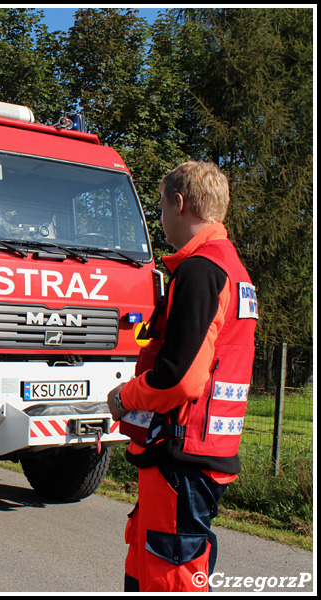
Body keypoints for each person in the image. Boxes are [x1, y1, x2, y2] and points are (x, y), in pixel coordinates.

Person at [106, 161, 258, 592]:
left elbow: (180, 380)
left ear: (179, 202)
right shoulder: (232, 269)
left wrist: (125, 397)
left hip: (181, 453)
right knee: (156, 559)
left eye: (160, 206)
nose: (161, 219)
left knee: (170, 573)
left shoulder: (200, 270)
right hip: (204, 447)